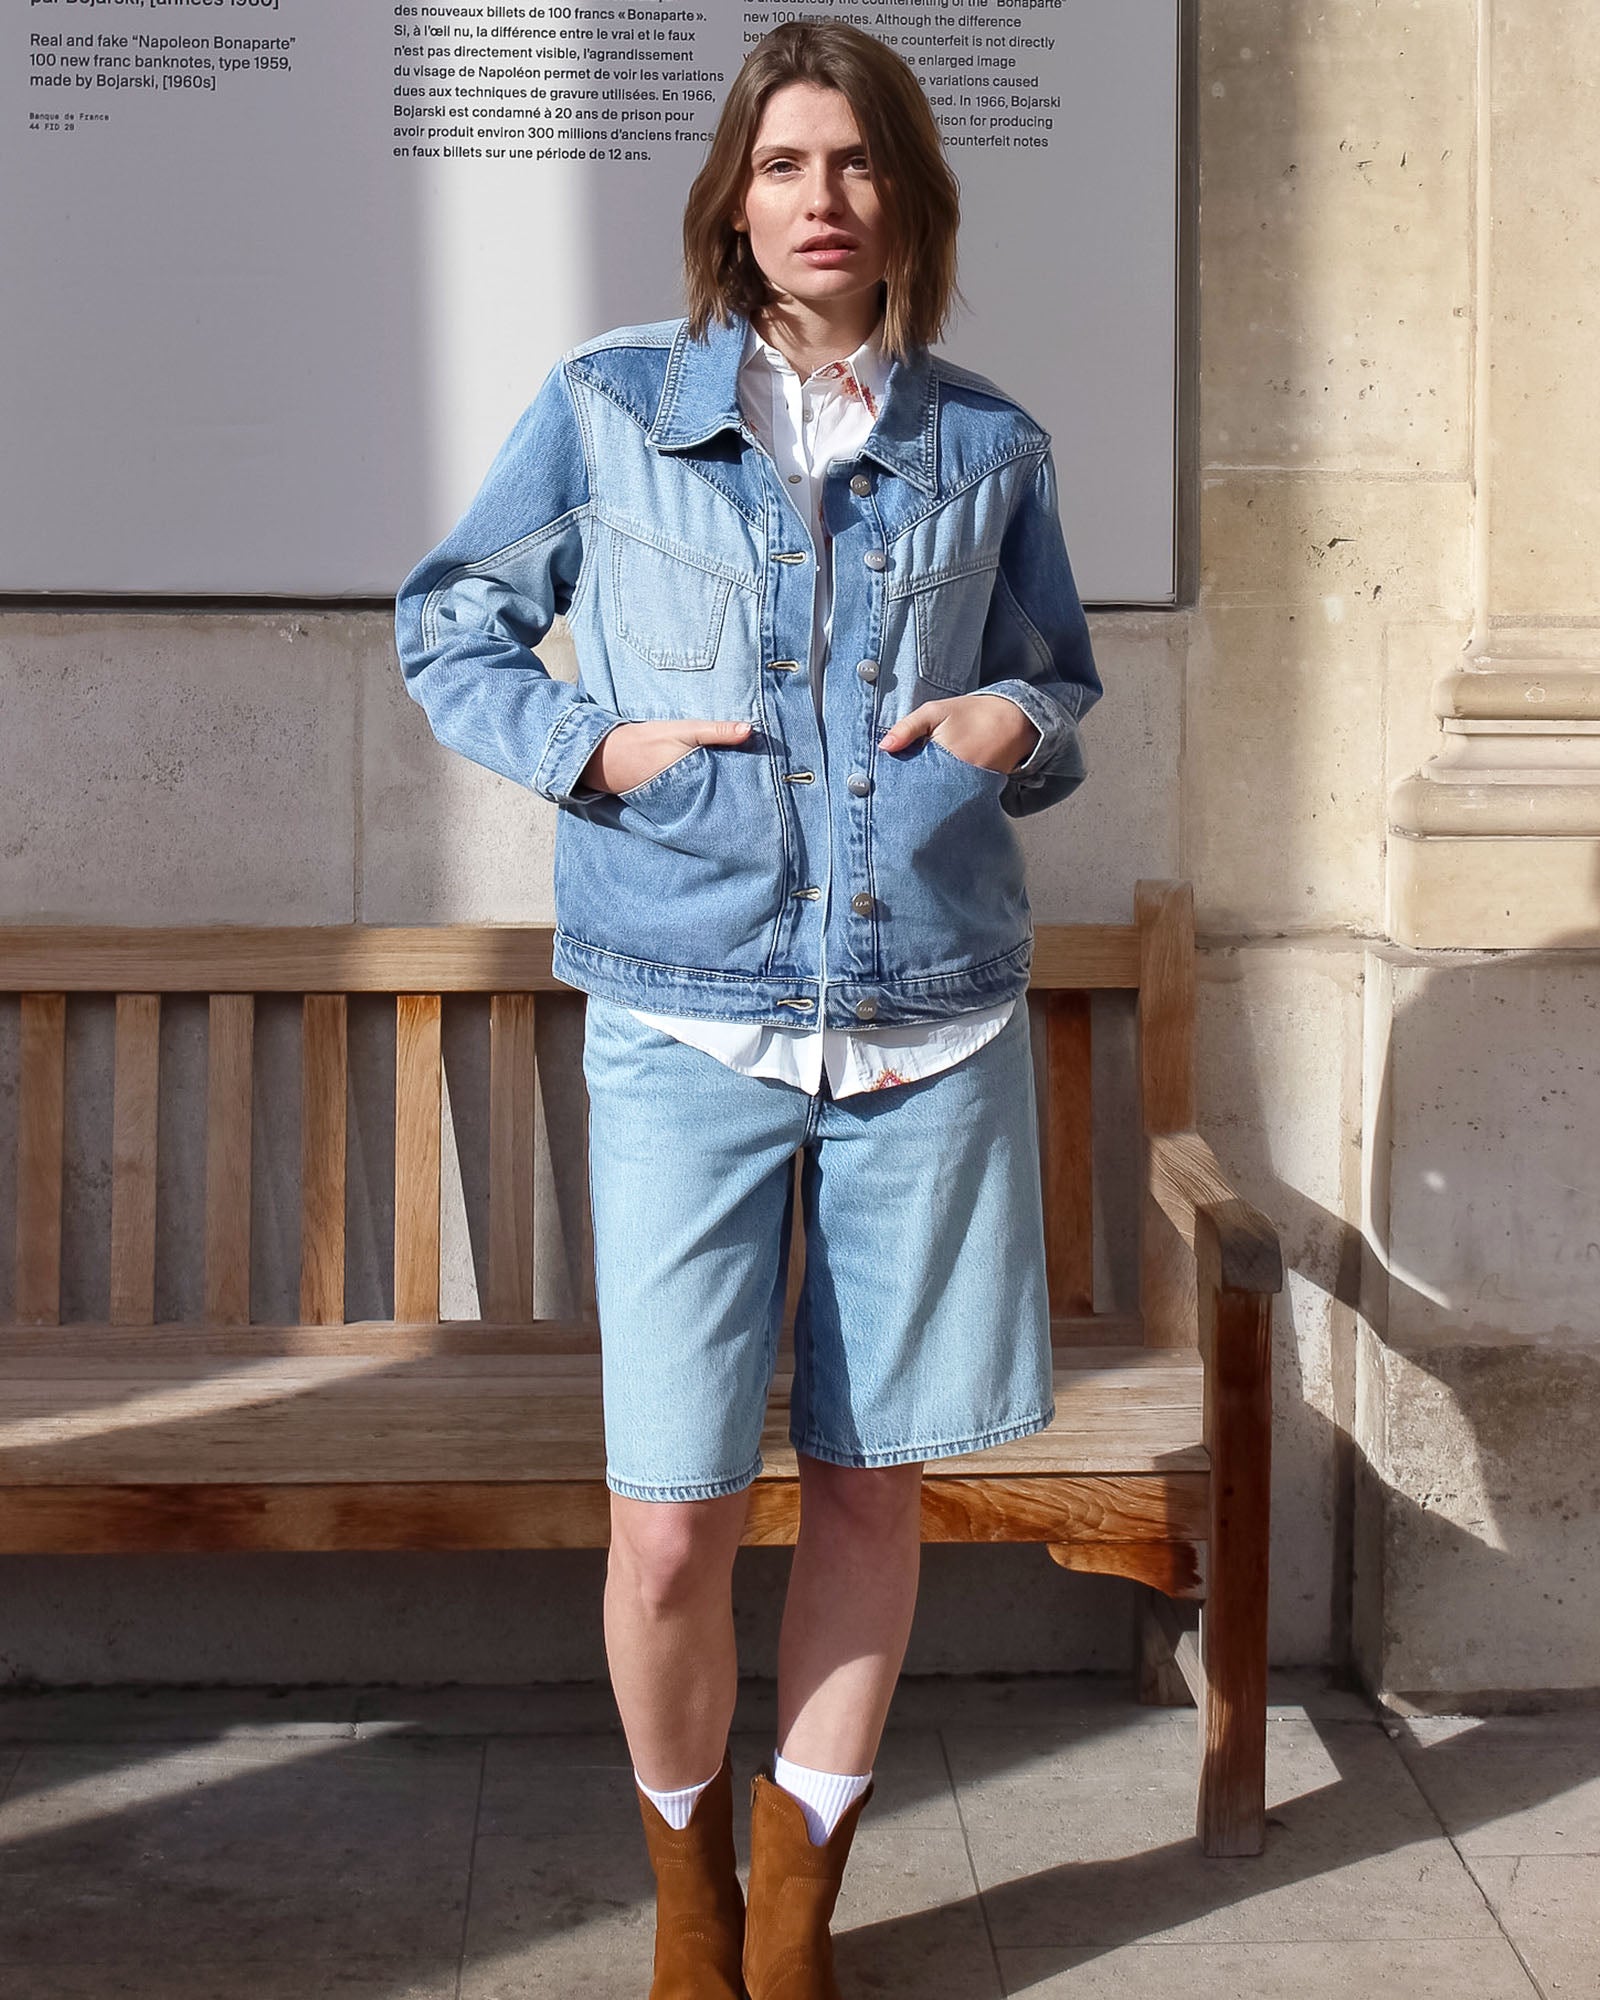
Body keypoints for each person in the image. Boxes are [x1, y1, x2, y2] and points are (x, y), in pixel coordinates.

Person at [395, 19, 1100, 1995]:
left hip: (926, 1023)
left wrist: (1009, 718)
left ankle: (792, 1913)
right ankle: (687, 1894)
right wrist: (595, 749)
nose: (821, 198)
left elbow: (1054, 680)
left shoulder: (988, 444)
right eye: (785, 163)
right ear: (732, 197)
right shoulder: (611, 406)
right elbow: (450, 623)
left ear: (907, 198)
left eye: (857, 162)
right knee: (668, 1523)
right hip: (684, 1017)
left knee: (873, 1488)